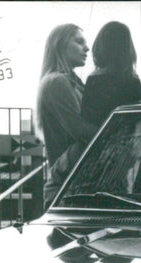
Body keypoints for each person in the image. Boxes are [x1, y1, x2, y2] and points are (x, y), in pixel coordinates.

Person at [37, 24, 98, 208]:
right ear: (60, 45)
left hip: (73, 186)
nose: (87, 48)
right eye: (79, 42)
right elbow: (80, 131)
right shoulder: (58, 82)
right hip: (68, 190)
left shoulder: (69, 81)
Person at [81, 21, 141, 126]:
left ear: (101, 46)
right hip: (128, 139)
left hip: (103, 139)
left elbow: (87, 119)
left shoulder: (95, 80)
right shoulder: (134, 80)